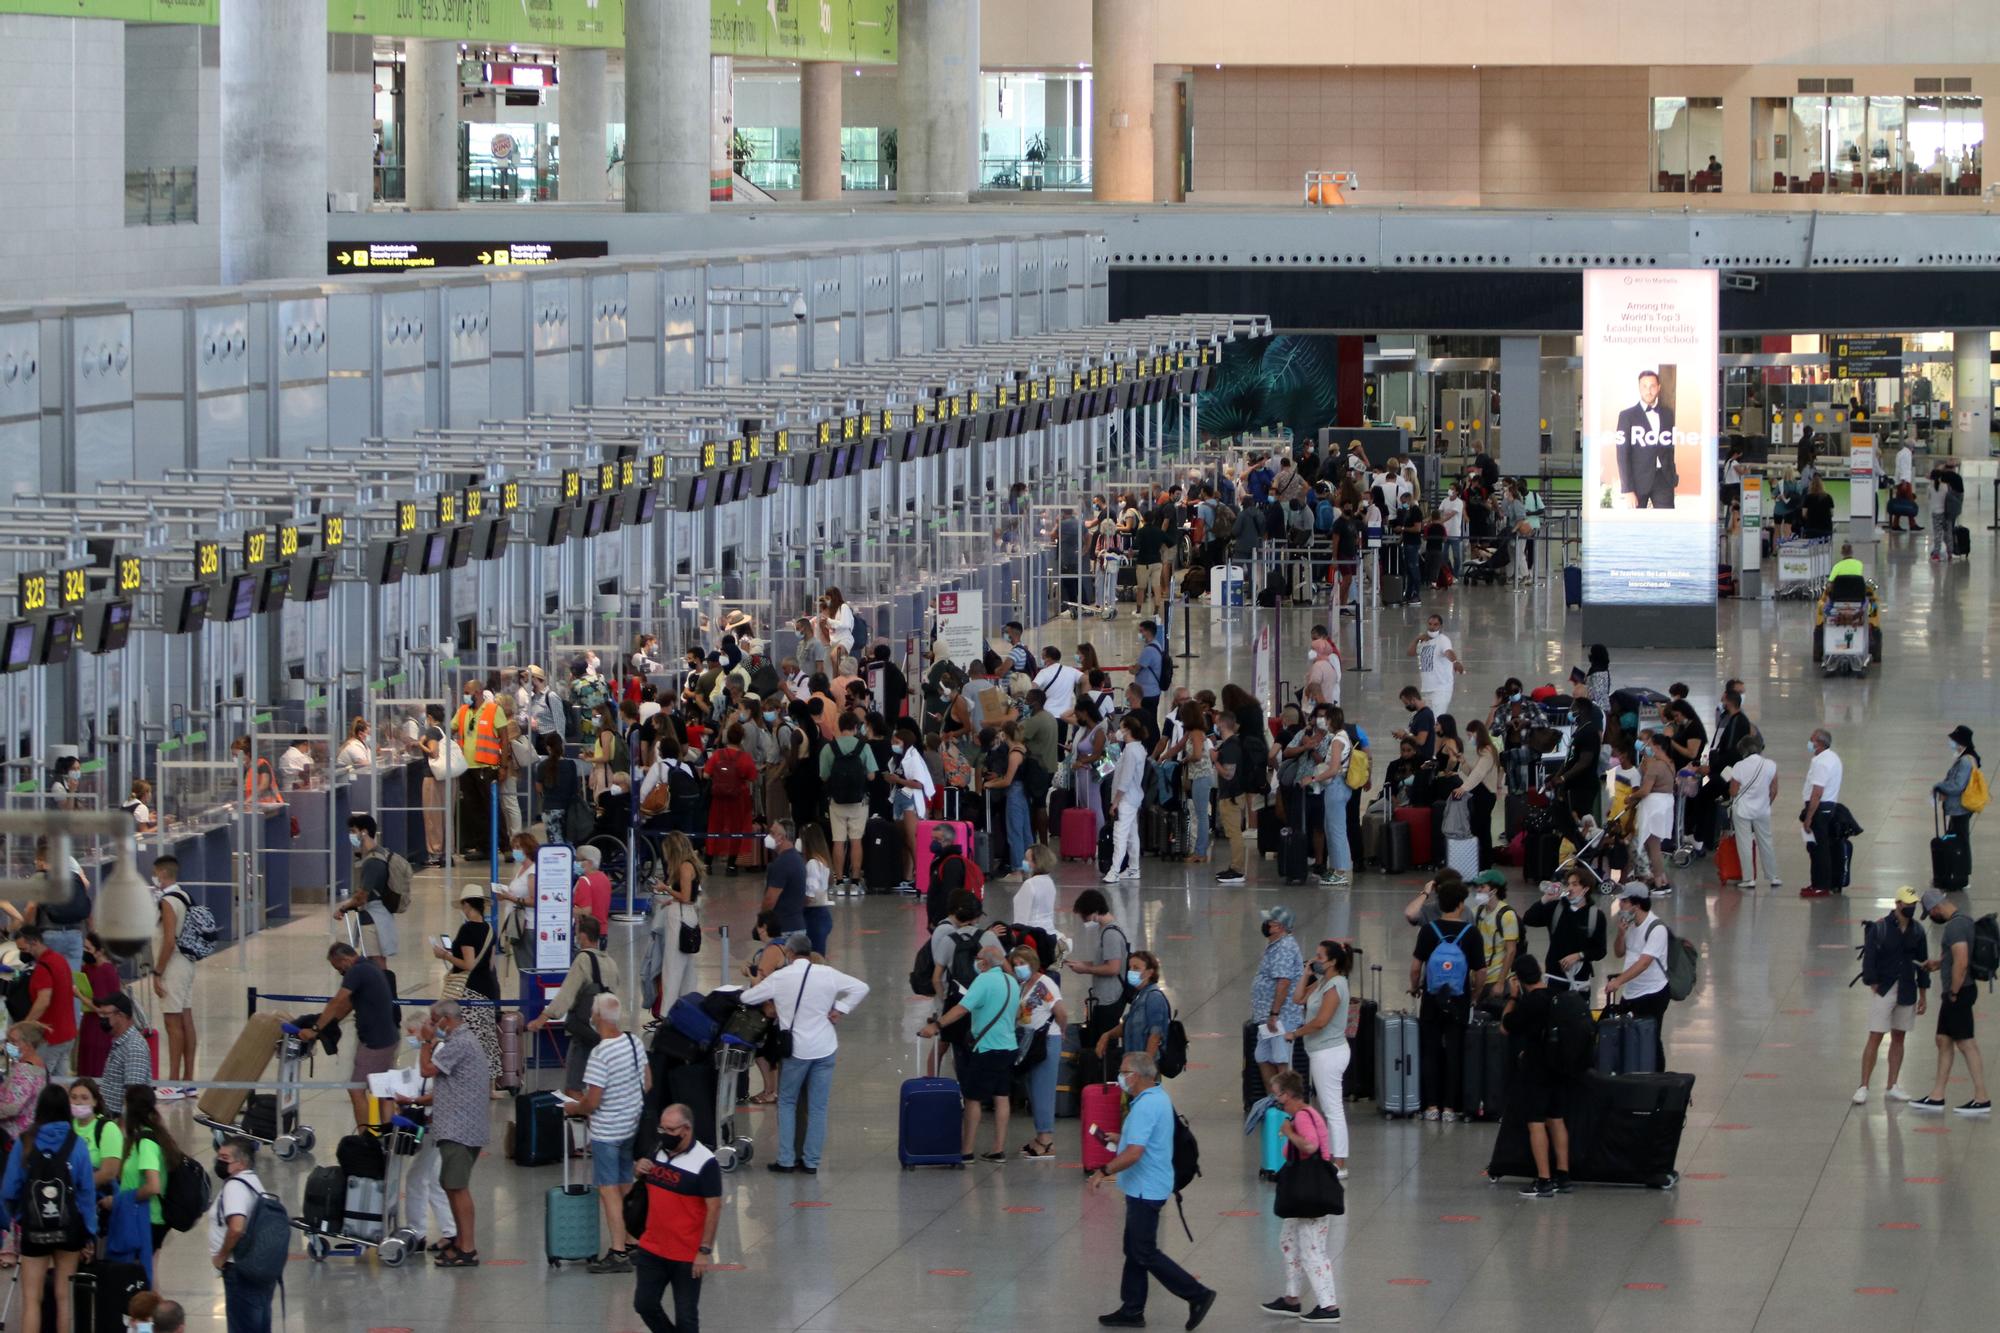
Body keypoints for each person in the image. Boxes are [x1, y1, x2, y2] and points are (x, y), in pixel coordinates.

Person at [1089, 1051, 1217, 1330]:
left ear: (1135, 1076)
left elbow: (1135, 1153)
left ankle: (1197, 1294)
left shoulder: (1145, 1106)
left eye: (1123, 1072)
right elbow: (1144, 1140)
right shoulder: (1158, 1098)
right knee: (1133, 1248)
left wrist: (1104, 1171)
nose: (1120, 1077)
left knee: (1144, 1251)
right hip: (1149, 1186)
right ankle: (1132, 1308)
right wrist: (1121, 1137)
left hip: (1146, 1190)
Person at [742, 932, 870, 1173]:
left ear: (789, 954)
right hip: (825, 1047)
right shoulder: (828, 974)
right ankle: (811, 1162)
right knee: (818, 1107)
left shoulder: (781, 977)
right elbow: (861, 987)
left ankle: (786, 1160)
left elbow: (747, 997)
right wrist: (840, 1009)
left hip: (796, 1051)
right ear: (809, 952)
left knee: (788, 1103)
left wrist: (758, 980)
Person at [0, 1084, 97, 1333]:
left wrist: (20, 1217)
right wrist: (89, 1231)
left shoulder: (25, 1142)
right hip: (69, 1228)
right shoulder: (76, 1144)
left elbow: (9, 1191)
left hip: (33, 1229)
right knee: (63, 1297)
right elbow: (86, 1191)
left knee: (32, 1300)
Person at [563, 993, 648, 1273]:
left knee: (608, 1190)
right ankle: (635, 1241)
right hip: (631, 1126)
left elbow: (593, 1101)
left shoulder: (600, 1054)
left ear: (596, 1017)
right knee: (626, 1183)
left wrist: (574, 1107)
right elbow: (647, 1082)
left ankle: (618, 1251)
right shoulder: (633, 1042)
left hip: (607, 1132)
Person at [920, 940, 1020, 1162]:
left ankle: (966, 1150)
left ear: (984, 963)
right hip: (1009, 1046)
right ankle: (998, 1148)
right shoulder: (1012, 982)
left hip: (987, 1048)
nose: (976, 964)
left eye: (977, 960)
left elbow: (961, 1009)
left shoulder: (983, 980)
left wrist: (937, 1026)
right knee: (1002, 1096)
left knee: (972, 1098)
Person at [1257, 1068, 1341, 1323]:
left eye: (1277, 1095)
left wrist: (1289, 1132)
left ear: (1288, 1095)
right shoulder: (1306, 1114)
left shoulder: (1302, 1118)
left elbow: (1311, 1145)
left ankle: (1329, 1306)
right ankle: (1292, 1298)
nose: (1275, 1100)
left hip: (1309, 1192)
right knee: (1289, 1241)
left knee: (1313, 1250)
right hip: (1306, 1192)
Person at [631, 1102, 721, 1333]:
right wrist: (638, 1168)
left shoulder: (706, 1162)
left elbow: (714, 1208)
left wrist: (704, 1250)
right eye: (662, 1129)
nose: (665, 1134)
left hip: (686, 1255)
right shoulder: (657, 1149)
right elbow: (642, 1183)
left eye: (671, 1130)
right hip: (652, 1247)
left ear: (686, 1129)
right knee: (644, 1304)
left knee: (687, 1317)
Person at [417, 998, 492, 1266]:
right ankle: (461, 1241)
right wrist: (418, 1101)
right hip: (461, 1125)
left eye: (433, 1020)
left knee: (457, 1187)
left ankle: (468, 1249)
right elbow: (452, 1085)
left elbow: (427, 1070)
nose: (430, 1025)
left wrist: (426, 1042)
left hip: (459, 1129)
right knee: (450, 1184)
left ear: (445, 1021)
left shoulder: (459, 1043)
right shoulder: (463, 1042)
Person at [294, 942, 401, 1128]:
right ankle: (388, 1134)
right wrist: (328, 1023)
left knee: (356, 1089)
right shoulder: (370, 967)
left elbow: (338, 1001)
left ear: (345, 959)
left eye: (338, 967)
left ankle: (364, 1138)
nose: (340, 972)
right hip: (388, 1037)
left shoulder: (356, 971)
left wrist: (315, 1030)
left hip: (375, 1043)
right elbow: (349, 1005)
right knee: (383, 1090)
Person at [1910, 888, 1992, 1114]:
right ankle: (1937, 1095)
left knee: (1966, 1043)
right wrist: (1937, 964)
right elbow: (1954, 956)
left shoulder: (1955, 926)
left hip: (1959, 991)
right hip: (1960, 990)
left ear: (1935, 908)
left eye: (1930, 913)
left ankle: (1981, 1097)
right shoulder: (1964, 920)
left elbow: (1962, 961)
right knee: (1943, 1040)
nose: (1932, 918)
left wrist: (1953, 992)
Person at [1410, 879, 1485, 1120]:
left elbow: (1415, 967)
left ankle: (1431, 1106)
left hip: (1432, 997)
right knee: (1455, 1051)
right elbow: (1480, 972)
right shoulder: (1471, 933)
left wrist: (1415, 987)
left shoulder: (1429, 930)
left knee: (1430, 1050)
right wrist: (1474, 994)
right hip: (1459, 998)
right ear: (1461, 904)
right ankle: (1451, 1107)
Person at [1500, 956, 1574, 1198]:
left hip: (1537, 1069)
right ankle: (1563, 1176)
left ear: (1519, 980)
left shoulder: (1530, 1003)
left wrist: (1512, 997)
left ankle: (1544, 1180)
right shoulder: (1558, 996)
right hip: (1560, 1067)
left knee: (1536, 1122)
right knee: (1557, 1119)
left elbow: (1505, 1027)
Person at [1283, 940, 1355, 1177]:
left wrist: (1296, 1033)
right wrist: (1306, 974)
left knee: (1333, 1108)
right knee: (1328, 1106)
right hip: (1320, 1052)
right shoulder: (1324, 982)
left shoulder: (1336, 986)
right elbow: (1298, 999)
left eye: (1320, 957)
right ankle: (1333, 1157)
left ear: (1333, 961)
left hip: (1329, 1052)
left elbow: (1321, 1021)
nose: (1315, 961)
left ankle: (1340, 1162)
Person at [526, 915, 620, 1092]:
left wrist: (542, 1018)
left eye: (577, 933)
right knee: (598, 1084)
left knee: (574, 1084)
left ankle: (578, 1114)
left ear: (583, 936)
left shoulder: (583, 959)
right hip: (603, 1033)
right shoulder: (611, 962)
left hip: (583, 1031)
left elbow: (566, 994)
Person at [1855, 886, 1930, 1105]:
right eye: (1907, 903)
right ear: (1897, 904)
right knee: (1875, 1035)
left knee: (1899, 1036)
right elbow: (1869, 959)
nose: (1911, 907)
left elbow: (1923, 964)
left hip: (1907, 989)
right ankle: (1864, 1085)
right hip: (1885, 988)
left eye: (1914, 904)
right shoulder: (1880, 928)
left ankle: (1893, 1085)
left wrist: (1923, 994)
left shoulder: (1917, 931)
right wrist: (1873, 983)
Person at [208, 1135, 275, 1332]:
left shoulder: (235, 1186)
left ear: (241, 1163)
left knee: (242, 1326)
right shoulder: (253, 1182)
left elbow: (236, 1227)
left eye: (225, 1158)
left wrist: (221, 1256)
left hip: (239, 1270)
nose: (219, 1162)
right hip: (258, 1266)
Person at [1067, 889, 1133, 1078]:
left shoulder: (1110, 934)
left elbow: (1113, 968)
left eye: (1085, 915)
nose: (1084, 920)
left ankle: (1106, 1079)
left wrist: (1086, 969)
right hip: (1104, 996)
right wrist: (1082, 964)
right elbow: (1102, 963)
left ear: (1094, 911)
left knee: (1104, 1044)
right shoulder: (1106, 930)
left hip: (1110, 997)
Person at [1603, 885, 1670, 1070]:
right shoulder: (1630, 924)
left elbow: (1643, 963)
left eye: (1624, 901)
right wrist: (1621, 934)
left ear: (1637, 904)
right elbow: (1619, 953)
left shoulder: (1656, 929)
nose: (1620, 905)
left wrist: (1618, 981)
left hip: (1652, 993)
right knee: (1629, 1034)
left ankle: (1657, 1075)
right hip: (1631, 992)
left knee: (1651, 1036)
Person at [151, 856, 200, 1095]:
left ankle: (172, 1082)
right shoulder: (185, 896)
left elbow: (168, 940)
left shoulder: (168, 901)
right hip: (188, 963)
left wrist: (157, 972)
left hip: (173, 966)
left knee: (172, 1023)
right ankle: (188, 1078)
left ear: (161, 873)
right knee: (186, 1019)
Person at [1014, 945, 1068, 1161]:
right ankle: (1040, 1135)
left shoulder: (1045, 984)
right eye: (1016, 964)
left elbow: (1061, 1012)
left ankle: (1046, 1140)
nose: (1019, 968)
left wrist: (1062, 1031)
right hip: (1028, 1041)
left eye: (1022, 964)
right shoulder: (1022, 985)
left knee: (1043, 1089)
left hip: (1045, 1040)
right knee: (1033, 1088)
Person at [114, 1084, 179, 1264]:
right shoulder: (148, 1137)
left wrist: (122, 1199)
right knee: (147, 1274)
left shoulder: (146, 1143)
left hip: (147, 1218)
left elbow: (153, 1186)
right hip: (142, 1217)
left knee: (142, 1275)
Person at [1522, 870, 1610, 999]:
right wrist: (1545, 899)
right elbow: (1529, 919)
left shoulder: (1596, 916)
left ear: (1586, 889)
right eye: (1568, 884)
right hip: (1554, 977)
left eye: (1575, 885)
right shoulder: (1556, 908)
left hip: (1580, 981)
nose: (1570, 888)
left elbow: (1600, 950)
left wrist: (1579, 956)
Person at [1252, 906, 1307, 1094]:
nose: (1266, 925)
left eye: (1270, 922)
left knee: (1281, 1061)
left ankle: (1287, 1106)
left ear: (1280, 927)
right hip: (1268, 1018)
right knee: (1263, 1056)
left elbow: (1283, 982)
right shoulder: (1275, 945)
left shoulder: (1284, 947)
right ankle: (1274, 1101)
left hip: (1280, 1017)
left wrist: (1274, 1013)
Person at [337, 813, 400, 970]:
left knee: (376, 961)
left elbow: (361, 897)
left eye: (353, 831)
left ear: (363, 832)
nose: (352, 835)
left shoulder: (372, 861)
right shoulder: (380, 853)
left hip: (373, 918)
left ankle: (382, 992)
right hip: (380, 915)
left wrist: (343, 907)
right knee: (377, 960)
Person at [16, 925, 78, 1077]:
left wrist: (24, 1026)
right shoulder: (60, 960)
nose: (22, 954)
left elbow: (43, 1000)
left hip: (50, 1037)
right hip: (68, 1033)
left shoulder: (44, 967)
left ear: (35, 942)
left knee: (39, 1081)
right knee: (61, 1082)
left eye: (23, 949)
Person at [1722, 733, 1781, 891]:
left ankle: (1748, 879)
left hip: (1742, 810)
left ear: (1743, 750)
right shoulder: (1770, 765)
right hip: (1762, 810)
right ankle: (1773, 876)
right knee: (1766, 842)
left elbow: (1733, 791)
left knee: (1745, 844)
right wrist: (1765, 804)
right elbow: (1774, 789)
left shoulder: (1739, 766)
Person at [1614, 370, 1679, 508]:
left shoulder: (1668, 414)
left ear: (1659, 387)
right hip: (1637, 480)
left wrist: (1672, 475)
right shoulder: (1627, 416)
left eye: (1652, 386)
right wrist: (1627, 489)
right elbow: (1622, 454)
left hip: (1663, 479)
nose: (1648, 391)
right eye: (1644, 386)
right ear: (1639, 388)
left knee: (1666, 525)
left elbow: (1670, 448)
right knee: (1636, 527)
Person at [1097, 951, 1171, 1071]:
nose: (1131, 972)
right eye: (1130, 968)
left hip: (1143, 1069)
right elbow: (1127, 1025)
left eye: (1136, 968)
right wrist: (1107, 1035)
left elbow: (1155, 1035)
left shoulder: (1154, 998)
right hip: (1132, 1065)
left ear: (1150, 972)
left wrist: (1145, 1069)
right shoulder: (1139, 997)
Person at [1800, 727, 1845, 896]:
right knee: (1820, 847)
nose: (1810, 743)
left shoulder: (1822, 762)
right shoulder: (1832, 758)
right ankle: (1821, 883)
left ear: (1819, 743)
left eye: (1812, 740)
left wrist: (1808, 817)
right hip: (1826, 808)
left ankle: (1819, 885)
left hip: (1819, 809)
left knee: (1818, 849)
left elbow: (1817, 792)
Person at [1104, 715, 1149, 883]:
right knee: (1131, 835)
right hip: (1133, 798)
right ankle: (1133, 868)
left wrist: (1115, 802)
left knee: (1120, 835)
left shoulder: (1130, 750)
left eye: (1121, 727)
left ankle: (1114, 871)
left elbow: (1125, 780)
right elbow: (1119, 770)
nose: (1118, 731)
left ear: (1127, 730)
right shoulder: (1137, 748)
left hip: (1126, 799)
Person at [93, 993, 151, 1119]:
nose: (101, 1019)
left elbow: (134, 1094)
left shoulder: (134, 1047)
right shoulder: (121, 1042)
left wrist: (124, 1128)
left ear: (121, 1015)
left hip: (120, 1122)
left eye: (105, 1014)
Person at [1212, 710, 1249, 886]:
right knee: (1233, 832)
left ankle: (1238, 869)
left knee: (1234, 833)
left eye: (1217, 723)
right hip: (1232, 795)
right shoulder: (1232, 744)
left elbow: (1228, 774)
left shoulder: (1231, 747)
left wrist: (1215, 761)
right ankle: (1235, 866)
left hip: (1232, 796)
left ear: (1222, 724)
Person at [759, 818, 808, 938]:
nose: (768, 837)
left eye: (772, 833)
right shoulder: (798, 859)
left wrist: (761, 922)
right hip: (797, 925)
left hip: (784, 930)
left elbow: (770, 899)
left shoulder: (782, 863)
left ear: (781, 838)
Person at [1934, 724, 1979, 855]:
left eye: (1954, 740)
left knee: (1961, 841)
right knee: (1956, 838)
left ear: (1961, 742)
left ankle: (1961, 872)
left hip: (1961, 807)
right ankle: (1956, 869)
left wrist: (1940, 786)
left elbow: (1958, 785)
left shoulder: (1965, 761)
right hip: (1958, 807)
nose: (1951, 743)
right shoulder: (1963, 759)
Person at [796, 825, 835, 958]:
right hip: (822, 914)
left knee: (814, 958)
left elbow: (809, 894)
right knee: (818, 956)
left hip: (814, 917)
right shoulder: (822, 860)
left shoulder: (812, 864)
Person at [1013, 843, 1057, 930]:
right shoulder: (1050, 882)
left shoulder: (1029, 884)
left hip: (1032, 933)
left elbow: (1021, 918)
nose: (1024, 862)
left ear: (1036, 862)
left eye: (1026, 859)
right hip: (1049, 931)